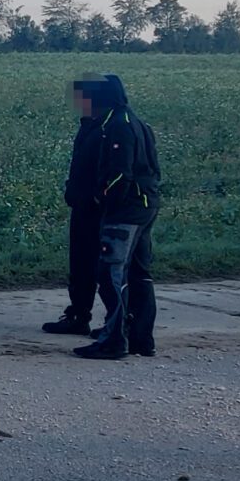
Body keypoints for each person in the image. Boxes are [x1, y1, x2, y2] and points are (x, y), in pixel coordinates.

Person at [72, 74, 160, 361]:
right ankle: (141, 337)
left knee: (110, 273)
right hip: (145, 205)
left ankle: (114, 339)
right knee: (138, 273)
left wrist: (101, 199)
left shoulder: (117, 126)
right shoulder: (138, 122)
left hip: (125, 210)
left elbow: (120, 174)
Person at [42, 80, 106, 339]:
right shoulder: (88, 127)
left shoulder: (107, 129)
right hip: (82, 205)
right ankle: (79, 314)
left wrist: (96, 198)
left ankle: (114, 319)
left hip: (97, 207)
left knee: (104, 266)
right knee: (80, 263)